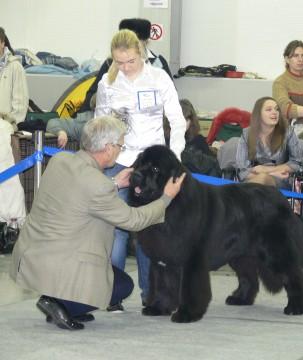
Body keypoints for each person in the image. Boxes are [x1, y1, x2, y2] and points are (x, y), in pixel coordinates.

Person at [9, 115, 185, 330]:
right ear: (108, 148)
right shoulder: (97, 184)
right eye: (120, 145)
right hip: (63, 263)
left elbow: (81, 191)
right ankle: (61, 304)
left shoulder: (60, 161)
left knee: (110, 276)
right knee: (121, 285)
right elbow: (134, 220)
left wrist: (114, 182)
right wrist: (167, 197)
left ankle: (61, 302)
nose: (121, 149)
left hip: (33, 257)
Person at [95, 29, 186, 311]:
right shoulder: (106, 84)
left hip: (154, 164)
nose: (125, 67)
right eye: (119, 62)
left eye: (131, 61)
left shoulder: (159, 79)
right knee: (117, 229)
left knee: (150, 227)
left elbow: (178, 122)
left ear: (141, 53)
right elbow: (100, 127)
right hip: (119, 161)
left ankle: (152, 293)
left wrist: (175, 159)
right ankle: (113, 295)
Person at [77, 18, 173, 115]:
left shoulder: (158, 63)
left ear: (145, 42)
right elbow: (92, 96)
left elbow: (170, 99)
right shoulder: (110, 63)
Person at [236, 97, 303, 187]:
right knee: (260, 180)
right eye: (268, 110)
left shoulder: (288, 132)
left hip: (281, 180)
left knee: (261, 180)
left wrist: (266, 170)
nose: (274, 112)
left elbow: (297, 163)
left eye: (276, 109)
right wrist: (271, 174)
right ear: (258, 114)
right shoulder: (246, 134)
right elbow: (242, 170)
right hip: (252, 180)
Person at [0, 27, 28, 225]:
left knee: (4, 163)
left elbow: (20, 104)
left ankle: (12, 218)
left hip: (5, 123)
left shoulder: (15, 67)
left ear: (2, 43)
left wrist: (10, 122)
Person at [164, 99, 221, 176]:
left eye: (186, 119)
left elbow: (213, 167)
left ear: (191, 121)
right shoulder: (163, 140)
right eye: (179, 120)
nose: (182, 124)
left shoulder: (198, 140)